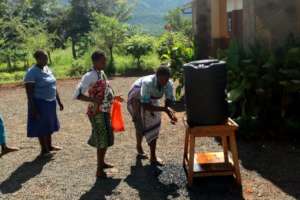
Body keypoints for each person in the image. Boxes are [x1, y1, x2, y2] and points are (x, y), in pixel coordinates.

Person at [74, 50, 123, 178]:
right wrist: (92, 100)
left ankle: (102, 162)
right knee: (102, 140)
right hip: (96, 112)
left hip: (105, 110)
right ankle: (99, 170)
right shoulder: (89, 76)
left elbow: (105, 91)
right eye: (103, 60)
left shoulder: (101, 73)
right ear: (95, 62)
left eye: (105, 60)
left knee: (106, 138)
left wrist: (114, 97)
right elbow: (77, 94)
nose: (105, 62)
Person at [127, 66, 178, 166]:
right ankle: (139, 146)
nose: (164, 82)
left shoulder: (169, 84)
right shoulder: (148, 83)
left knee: (154, 126)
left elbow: (169, 100)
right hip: (137, 98)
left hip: (151, 98)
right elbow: (146, 106)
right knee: (140, 125)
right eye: (162, 79)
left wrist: (169, 111)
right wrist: (164, 109)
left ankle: (153, 157)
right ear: (156, 76)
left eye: (166, 79)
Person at [24, 50, 64, 157]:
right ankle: (44, 150)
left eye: (46, 57)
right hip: (39, 103)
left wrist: (59, 101)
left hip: (50, 103)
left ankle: (50, 146)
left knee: (49, 125)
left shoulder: (47, 69)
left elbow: (53, 86)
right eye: (43, 58)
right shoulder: (31, 73)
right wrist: (34, 109)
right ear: (37, 59)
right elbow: (29, 94)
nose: (46, 59)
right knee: (41, 126)